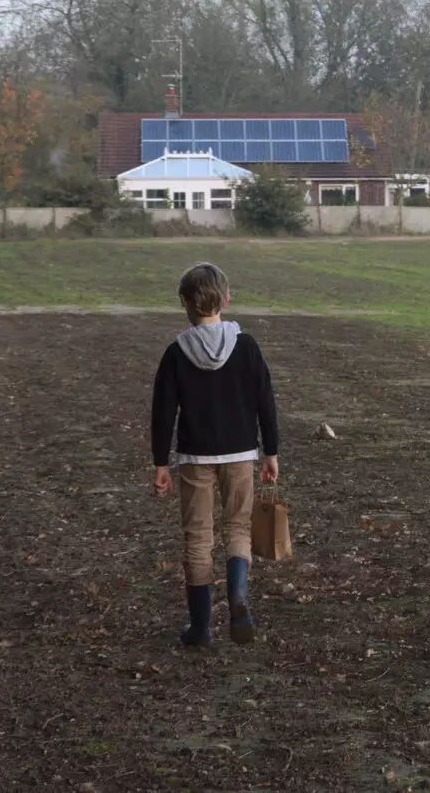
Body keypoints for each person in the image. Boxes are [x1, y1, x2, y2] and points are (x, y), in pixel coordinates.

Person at [151, 263, 280, 647]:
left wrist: (160, 462)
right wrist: (270, 450)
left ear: (184, 304)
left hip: (195, 460)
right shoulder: (247, 346)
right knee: (238, 528)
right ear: (226, 299)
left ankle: (201, 628)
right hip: (241, 455)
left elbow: (162, 413)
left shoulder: (176, 353)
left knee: (197, 538)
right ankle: (238, 597)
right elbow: (265, 402)